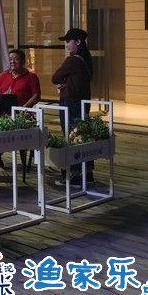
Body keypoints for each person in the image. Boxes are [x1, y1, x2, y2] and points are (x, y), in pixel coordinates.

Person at [51, 28, 93, 184]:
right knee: (83, 136)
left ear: (78, 42)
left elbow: (55, 77)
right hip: (83, 102)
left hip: (71, 103)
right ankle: (87, 174)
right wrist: (66, 81)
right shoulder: (87, 58)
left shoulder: (73, 60)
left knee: (71, 136)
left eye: (68, 41)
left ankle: (75, 176)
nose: (67, 45)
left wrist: (62, 82)